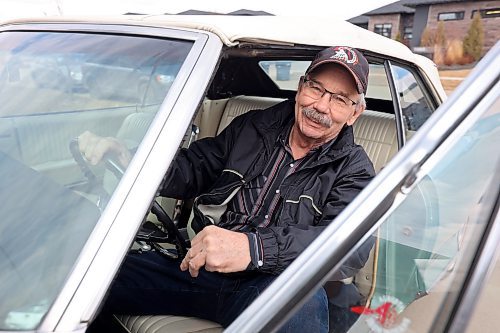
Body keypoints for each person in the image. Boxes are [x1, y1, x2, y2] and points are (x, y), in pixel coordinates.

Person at [82, 46, 375, 333]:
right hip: (202, 267)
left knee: (300, 302)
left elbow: (350, 247)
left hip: (270, 284)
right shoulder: (255, 127)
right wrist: (129, 157)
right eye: (316, 89)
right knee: (89, 274)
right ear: (301, 88)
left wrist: (254, 249)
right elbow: (194, 168)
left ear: (354, 113)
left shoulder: (355, 170)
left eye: (339, 99)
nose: (321, 106)